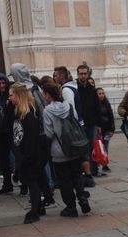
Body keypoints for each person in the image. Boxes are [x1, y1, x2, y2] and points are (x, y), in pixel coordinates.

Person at [42, 82, 90, 217]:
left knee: (64, 180)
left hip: (59, 150)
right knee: (76, 176)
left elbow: (49, 133)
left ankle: (71, 207)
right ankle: (83, 198)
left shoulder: (47, 111)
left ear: (48, 95)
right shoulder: (68, 106)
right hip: (74, 147)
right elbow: (75, 121)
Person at [8, 84, 47, 224]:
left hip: (30, 156)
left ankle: (35, 211)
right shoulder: (18, 113)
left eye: (11, 95)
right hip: (23, 154)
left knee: (33, 183)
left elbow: (31, 140)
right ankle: (39, 206)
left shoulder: (29, 115)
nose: (9, 98)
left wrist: (25, 158)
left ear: (18, 96)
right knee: (33, 182)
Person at [94, 86, 115, 175]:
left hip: (106, 129)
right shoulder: (94, 105)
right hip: (98, 130)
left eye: (103, 93)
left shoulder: (107, 103)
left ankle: (104, 164)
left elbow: (111, 117)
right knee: (99, 148)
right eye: (99, 94)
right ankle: (97, 165)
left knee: (105, 147)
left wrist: (112, 129)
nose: (101, 95)